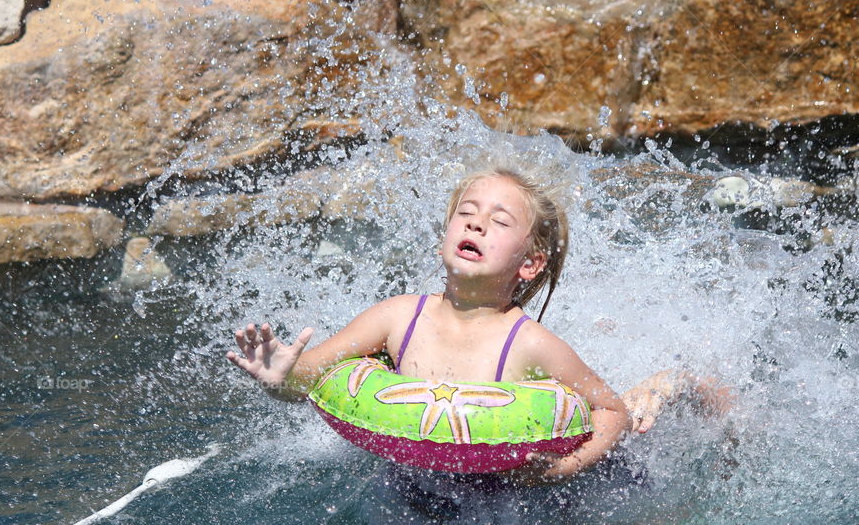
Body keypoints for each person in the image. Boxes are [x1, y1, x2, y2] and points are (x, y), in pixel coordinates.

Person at [227, 166, 727, 520]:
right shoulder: (397, 317)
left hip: (527, 493)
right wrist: (280, 377)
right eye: (466, 212)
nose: (476, 222)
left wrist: (563, 469)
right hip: (418, 489)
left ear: (529, 263)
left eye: (499, 221)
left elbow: (610, 411)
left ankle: (679, 385)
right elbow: (313, 374)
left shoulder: (530, 344)